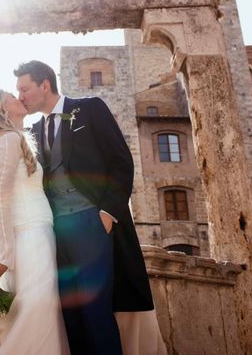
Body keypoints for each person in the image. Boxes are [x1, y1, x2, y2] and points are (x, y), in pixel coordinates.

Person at [14, 60, 164, 355]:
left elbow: (121, 161)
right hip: (53, 230)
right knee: (70, 315)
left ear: (45, 85)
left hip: (91, 222)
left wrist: (107, 213)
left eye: (24, 88)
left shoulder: (89, 108)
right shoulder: (33, 129)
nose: (20, 96)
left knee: (96, 311)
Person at [0, 89, 69, 354]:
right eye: (12, 96)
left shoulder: (17, 138)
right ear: (3, 109)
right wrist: (6, 256)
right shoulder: (8, 139)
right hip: (29, 235)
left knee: (38, 309)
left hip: (40, 233)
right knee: (38, 308)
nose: (19, 98)